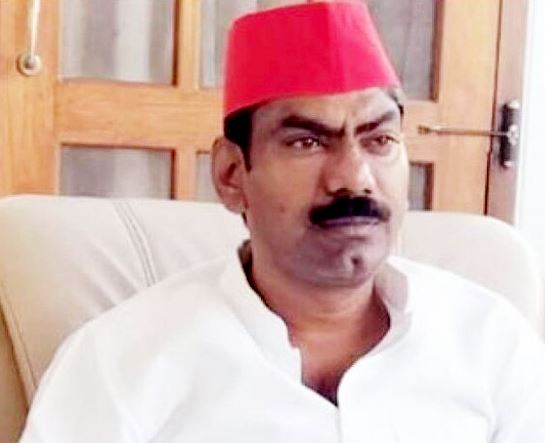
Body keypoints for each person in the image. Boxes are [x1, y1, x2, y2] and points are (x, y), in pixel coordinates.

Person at [19, 2, 545, 442]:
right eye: (307, 142)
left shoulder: (489, 341)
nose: (353, 178)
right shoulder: (120, 361)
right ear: (231, 175)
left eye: (380, 140)